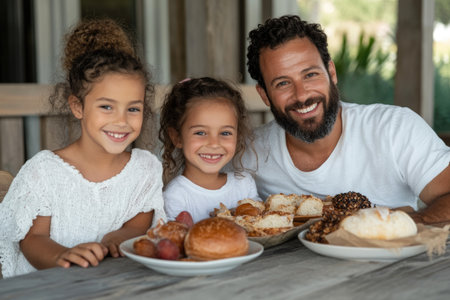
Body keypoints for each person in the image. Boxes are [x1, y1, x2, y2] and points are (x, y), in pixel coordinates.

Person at [244, 15, 450, 224]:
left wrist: (388, 226)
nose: (302, 95)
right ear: (264, 95)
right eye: (282, 83)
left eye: (310, 75)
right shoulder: (248, 154)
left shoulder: (394, 128)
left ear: (331, 73)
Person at [0, 19, 166, 278]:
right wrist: (60, 255)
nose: (121, 120)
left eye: (133, 108)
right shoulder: (44, 172)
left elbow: (140, 223)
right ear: (78, 106)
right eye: (106, 107)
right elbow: (32, 238)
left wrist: (119, 237)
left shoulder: (145, 169)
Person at [159, 77, 261, 223]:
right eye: (200, 133)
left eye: (225, 133)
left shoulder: (244, 185)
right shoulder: (175, 196)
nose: (214, 144)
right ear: (177, 138)